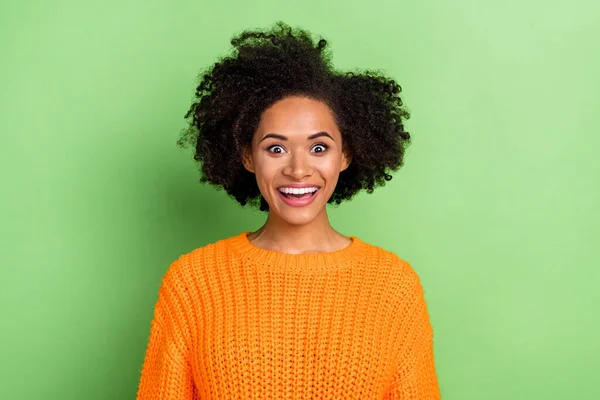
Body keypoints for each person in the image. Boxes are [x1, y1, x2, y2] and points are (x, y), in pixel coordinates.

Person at [136, 22, 440, 400]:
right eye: (276, 149)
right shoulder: (193, 281)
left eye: (319, 148)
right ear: (248, 156)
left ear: (345, 155)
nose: (298, 169)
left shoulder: (393, 285)